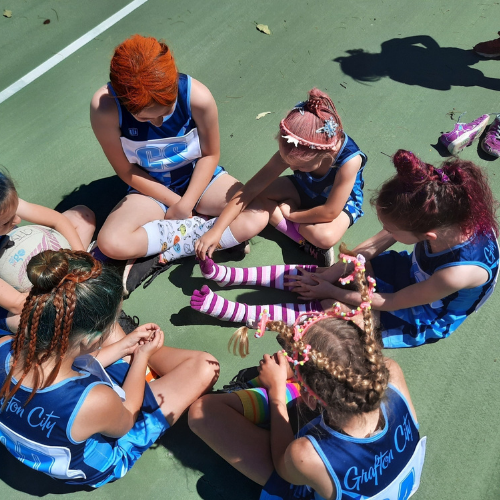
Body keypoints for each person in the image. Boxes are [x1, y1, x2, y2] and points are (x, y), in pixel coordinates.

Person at [191, 150, 499, 348]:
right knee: (331, 273)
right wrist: (334, 272)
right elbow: (380, 242)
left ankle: (240, 312)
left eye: (391, 228)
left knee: (331, 313)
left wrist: (334, 292)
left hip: (421, 311)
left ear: (426, 234)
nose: (385, 231)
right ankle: (227, 276)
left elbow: (390, 301)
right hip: (413, 274)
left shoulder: (458, 273)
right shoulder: (441, 212)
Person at [188, 262, 426, 500]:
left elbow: (284, 465)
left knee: (203, 412)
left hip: (310, 469)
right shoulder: (390, 372)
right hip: (399, 483)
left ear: (311, 398)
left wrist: (277, 393)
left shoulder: (304, 454)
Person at [0, 249, 219, 487]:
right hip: (105, 453)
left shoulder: (4, 345)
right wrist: (141, 357)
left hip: (49, 431)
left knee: (106, 324)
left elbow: (51, 375)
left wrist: (123, 346)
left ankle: (114, 343)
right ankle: (132, 363)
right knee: (206, 367)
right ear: (90, 341)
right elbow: (126, 418)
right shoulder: (94, 399)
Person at [91, 35, 267, 292]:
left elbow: (210, 155)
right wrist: (176, 203)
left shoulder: (197, 97)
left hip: (200, 179)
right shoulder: (104, 109)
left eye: (164, 113)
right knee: (111, 243)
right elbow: (127, 170)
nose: (159, 124)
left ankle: (169, 250)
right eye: (146, 118)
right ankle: (208, 231)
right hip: (150, 190)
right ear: (121, 100)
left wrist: (187, 202)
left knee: (259, 212)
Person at [195, 88, 367, 267]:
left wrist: (292, 215)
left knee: (325, 237)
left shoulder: (349, 161)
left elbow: (330, 211)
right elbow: (250, 189)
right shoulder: (299, 147)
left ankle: (301, 235)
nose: (292, 167)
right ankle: (303, 241)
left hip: (339, 203)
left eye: (300, 166)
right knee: (255, 195)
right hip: (303, 188)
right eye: (287, 161)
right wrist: (218, 229)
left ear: (326, 154)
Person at [0, 171, 95, 332]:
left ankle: (87, 258)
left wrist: (81, 258)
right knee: (33, 322)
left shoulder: (4, 201)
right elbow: (17, 303)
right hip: (15, 299)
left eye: (16, 211)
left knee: (82, 217)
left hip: (36, 263)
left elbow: (58, 220)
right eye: (7, 222)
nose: (18, 220)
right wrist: (60, 283)